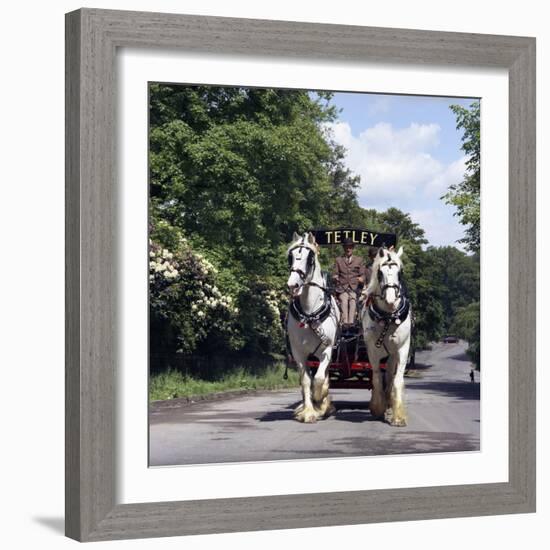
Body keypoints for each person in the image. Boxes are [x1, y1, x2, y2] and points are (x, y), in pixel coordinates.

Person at [332, 238, 368, 328]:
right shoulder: (338, 260)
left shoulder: (359, 260)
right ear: (344, 248)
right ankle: (345, 324)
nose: (348, 249)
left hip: (354, 288)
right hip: (342, 288)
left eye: (350, 247)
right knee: (344, 300)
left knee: (352, 301)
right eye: (346, 247)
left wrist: (361, 279)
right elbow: (335, 273)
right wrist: (335, 277)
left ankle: (351, 324)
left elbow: (363, 275)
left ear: (353, 248)